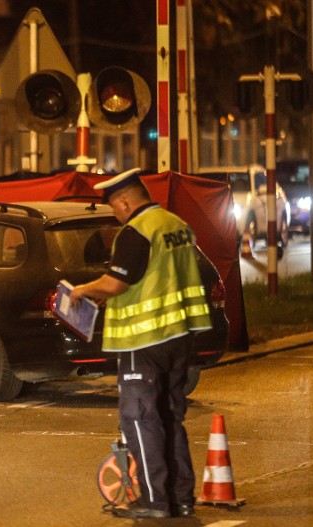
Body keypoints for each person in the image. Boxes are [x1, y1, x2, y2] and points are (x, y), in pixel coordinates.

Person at [70, 168, 212, 519]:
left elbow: (116, 283)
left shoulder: (135, 232)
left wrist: (82, 291)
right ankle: (181, 498)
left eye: (115, 208)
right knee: (169, 417)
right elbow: (158, 277)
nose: (117, 215)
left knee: (140, 419)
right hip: (179, 336)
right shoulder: (176, 225)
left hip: (142, 341)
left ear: (124, 201)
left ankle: (154, 501)